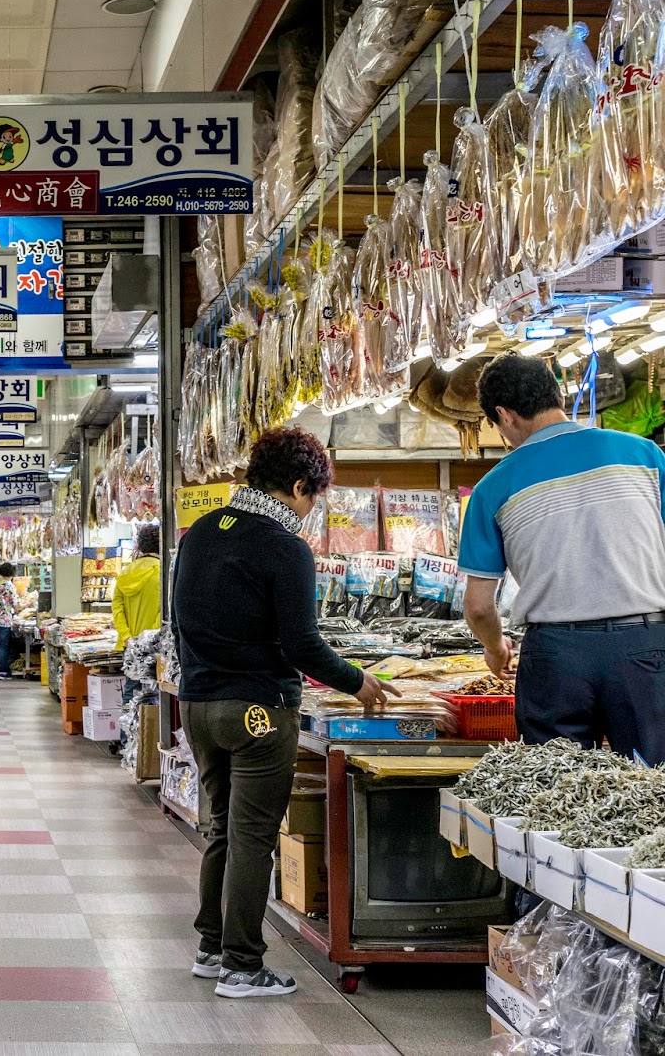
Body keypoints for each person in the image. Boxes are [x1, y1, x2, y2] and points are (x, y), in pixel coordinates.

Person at [172, 427, 396, 998]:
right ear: (298, 486)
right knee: (254, 837)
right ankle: (242, 966)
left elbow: (183, 622)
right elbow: (302, 645)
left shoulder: (200, 532)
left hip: (198, 706)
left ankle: (211, 946)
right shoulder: (284, 546)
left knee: (223, 828)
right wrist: (358, 682)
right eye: (312, 497)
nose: (310, 510)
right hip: (258, 713)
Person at [460, 354, 665, 762]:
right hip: (645, 646)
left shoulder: (492, 488)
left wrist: (495, 648)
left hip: (555, 657)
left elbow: (479, 606)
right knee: (655, 786)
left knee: (555, 792)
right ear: (557, 394)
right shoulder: (646, 456)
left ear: (504, 414)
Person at [113, 524, 162, 648]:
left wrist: (126, 637)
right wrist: (148, 639)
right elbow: (164, 612)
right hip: (153, 646)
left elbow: (117, 609)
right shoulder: (162, 572)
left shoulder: (125, 573)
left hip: (127, 646)